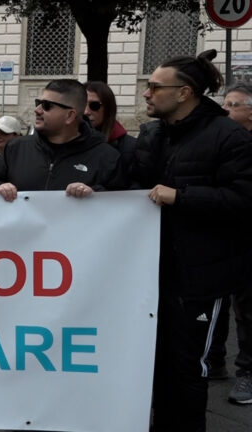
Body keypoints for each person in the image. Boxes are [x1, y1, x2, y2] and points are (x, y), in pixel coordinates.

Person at [131, 50, 252, 430]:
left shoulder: (228, 136)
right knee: (155, 364)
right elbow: (130, 184)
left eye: (154, 86)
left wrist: (181, 196)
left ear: (184, 93)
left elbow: (243, 200)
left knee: (187, 371)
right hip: (152, 275)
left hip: (200, 279)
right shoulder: (152, 134)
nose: (147, 93)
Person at [0, 79, 123, 200]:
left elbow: (121, 204)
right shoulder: (16, 148)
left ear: (70, 116)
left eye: (47, 106)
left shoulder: (106, 157)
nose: (38, 110)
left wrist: (95, 195)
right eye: (38, 103)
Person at [205, 82, 252, 404]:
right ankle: (214, 360)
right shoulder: (221, 143)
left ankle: (246, 372)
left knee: (246, 310)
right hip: (222, 237)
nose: (226, 109)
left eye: (234, 104)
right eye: (225, 103)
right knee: (215, 303)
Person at [84, 81, 136, 175]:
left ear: (108, 109)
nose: (86, 111)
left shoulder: (129, 147)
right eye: (82, 104)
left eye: (94, 106)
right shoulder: (66, 142)